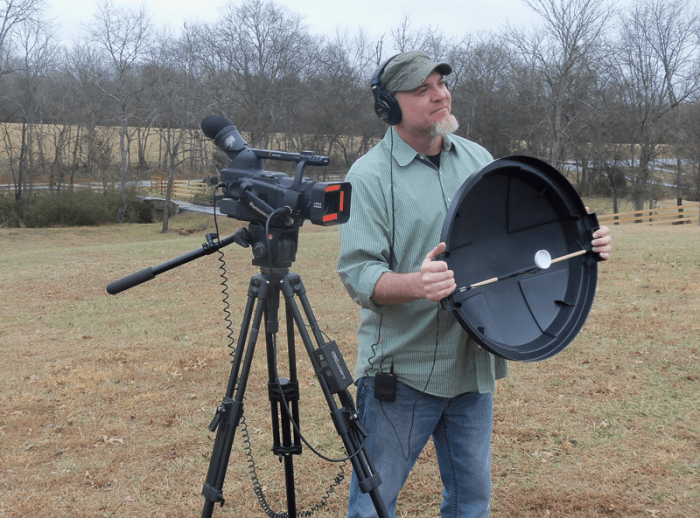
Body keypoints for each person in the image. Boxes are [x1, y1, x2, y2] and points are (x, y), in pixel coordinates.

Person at [336, 51, 613, 518]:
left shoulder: (478, 158)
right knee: (373, 504)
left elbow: (516, 241)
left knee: (471, 502)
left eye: (440, 83)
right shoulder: (366, 178)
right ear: (388, 106)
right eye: (420, 90)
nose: (439, 95)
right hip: (402, 373)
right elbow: (359, 275)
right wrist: (418, 283)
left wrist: (584, 241)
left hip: (472, 365)